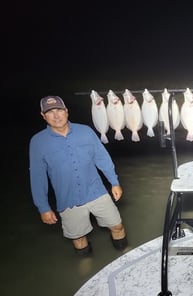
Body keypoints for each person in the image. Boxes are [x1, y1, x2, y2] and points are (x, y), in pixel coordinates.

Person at [29, 95, 128, 256]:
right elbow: (37, 177)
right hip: (68, 199)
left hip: (96, 192)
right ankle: (86, 262)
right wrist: (43, 207)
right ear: (43, 115)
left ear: (66, 111)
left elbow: (102, 157)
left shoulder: (86, 131)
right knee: (78, 237)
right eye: (50, 112)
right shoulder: (38, 142)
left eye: (59, 110)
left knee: (117, 225)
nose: (56, 115)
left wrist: (114, 182)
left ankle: (124, 253)